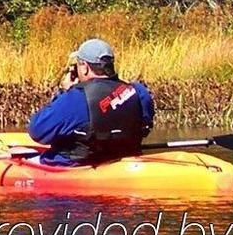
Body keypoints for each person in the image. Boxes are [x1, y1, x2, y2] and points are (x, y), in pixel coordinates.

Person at [25, 38, 153, 166]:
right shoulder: (138, 91)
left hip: (77, 166)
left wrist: (65, 92)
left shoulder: (75, 99)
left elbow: (37, 131)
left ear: (85, 67)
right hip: (123, 160)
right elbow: (145, 125)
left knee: (27, 162)